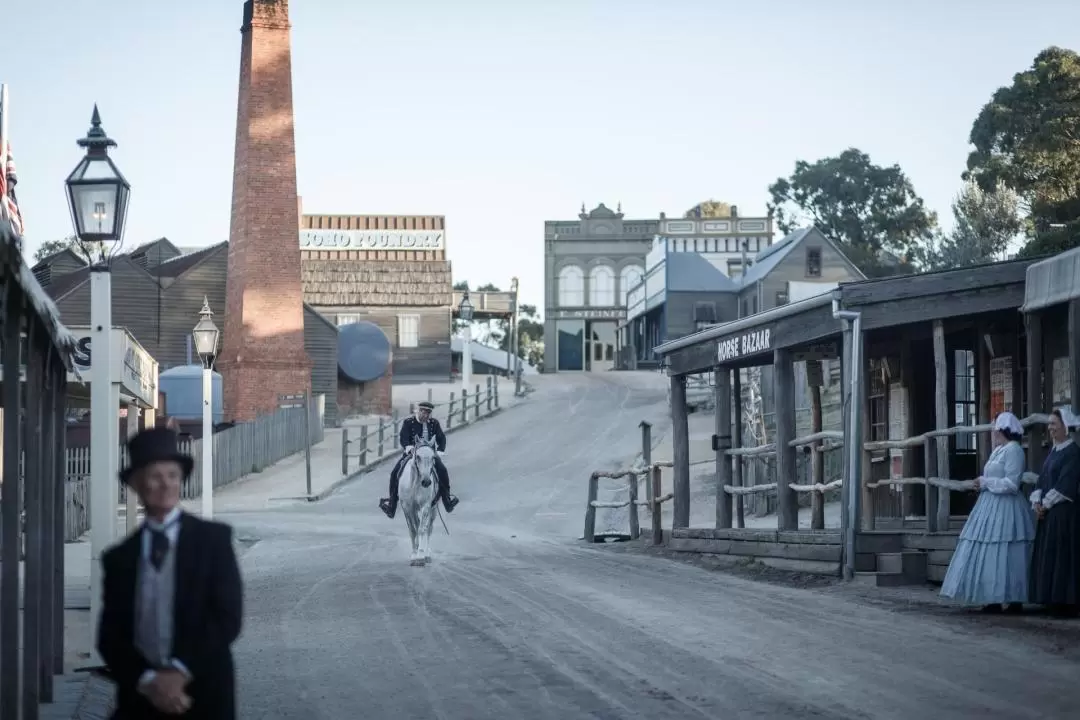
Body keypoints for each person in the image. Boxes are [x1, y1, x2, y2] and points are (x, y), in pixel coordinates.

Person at [97, 426, 244, 718]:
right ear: (138, 485)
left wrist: (178, 671)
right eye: (155, 476)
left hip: (204, 693)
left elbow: (228, 617)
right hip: (142, 699)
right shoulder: (119, 558)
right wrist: (149, 681)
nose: (165, 484)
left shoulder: (213, 541)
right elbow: (110, 636)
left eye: (173, 476)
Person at [940, 412, 1034, 613]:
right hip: (989, 504)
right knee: (991, 552)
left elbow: (1012, 484)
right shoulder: (999, 450)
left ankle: (1013, 598)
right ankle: (993, 597)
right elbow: (993, 477)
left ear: (1004, 430)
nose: (994, 433)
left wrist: (986, 482)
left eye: (997, 429)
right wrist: (981, 483)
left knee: (1008, 551)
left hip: (1007, 508)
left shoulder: (1014, 450)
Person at [1029, 407, 1080, 617]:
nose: (1050, 428)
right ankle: (1049, 598)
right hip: (1049, 514)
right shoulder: (1053, 451)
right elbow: (1042, 480)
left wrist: (1047, 504)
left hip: (1064, 513)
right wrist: (1037, 502)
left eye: (1054, 424)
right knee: (1049, 555)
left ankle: (1064, 601)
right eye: (1049, 424)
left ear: (1065, 427)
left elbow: (1066, 484)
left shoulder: (1073, 452)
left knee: (1062, 557)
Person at [379, 401, 459, 519]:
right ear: (419, 411)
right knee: (395, 473)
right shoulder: (408, 422)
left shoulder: (434, 423)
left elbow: (441, 438)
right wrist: (409, 447)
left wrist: (440, 451)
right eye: (424, 412)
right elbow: (403, 437)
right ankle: (392, 504)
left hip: (429, 456)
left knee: (442, 470)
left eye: (428, 413)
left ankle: (447, 500)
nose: (426, 415)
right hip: (412, 454)